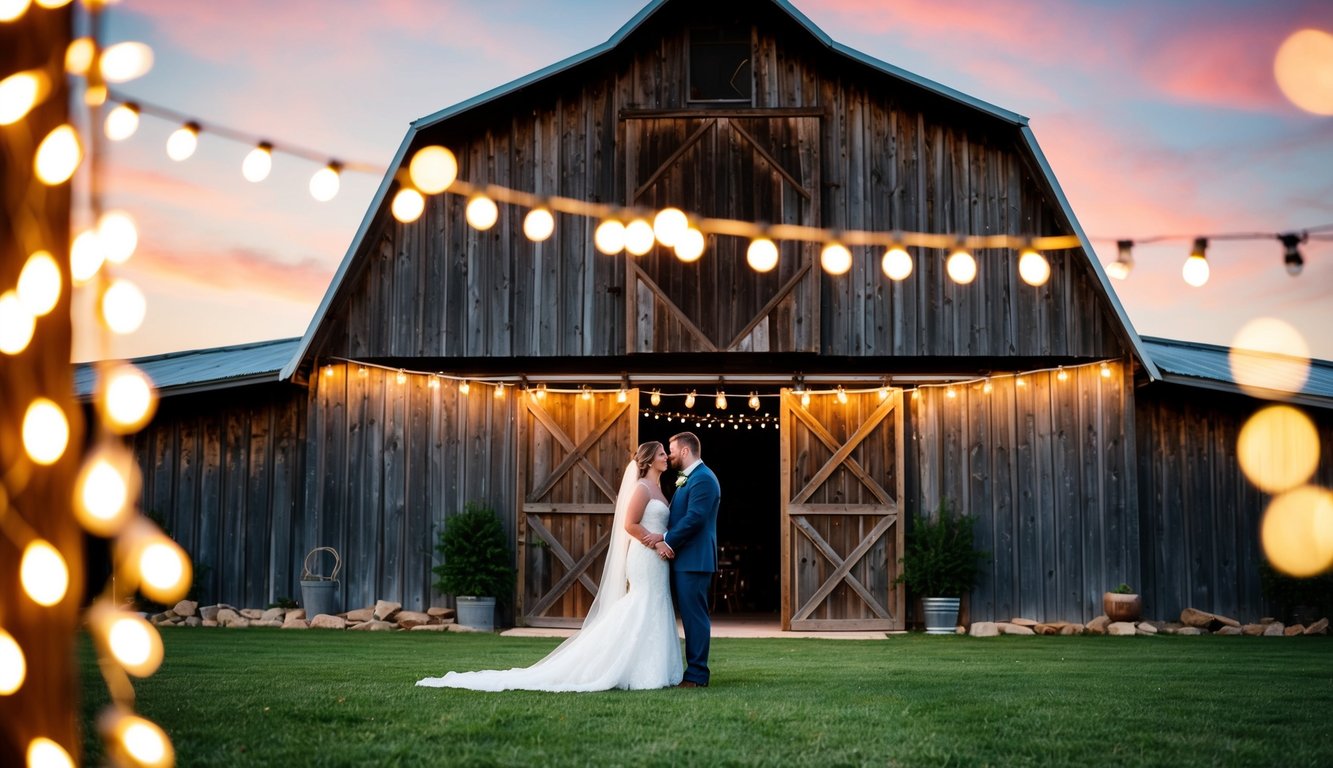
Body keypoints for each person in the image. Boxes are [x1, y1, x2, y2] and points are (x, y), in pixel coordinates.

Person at [416, 442, 682, 691]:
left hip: (657, 558)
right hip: (645, 556)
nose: (666, 458)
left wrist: (665, 540)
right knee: (642, 602)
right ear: (648, 461)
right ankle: (621, 664)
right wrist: (655, 544)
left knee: (656, 602)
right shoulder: (642, 489)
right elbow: (630, 525)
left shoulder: (659, 489)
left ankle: (650, 666)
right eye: (661, 454)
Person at [642, 431, 720, 688]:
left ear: (685, 451)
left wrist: (665, 538)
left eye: (672, 450)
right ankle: (688, 672)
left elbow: (695, 518)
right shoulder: (690, 478)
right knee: (687, 616)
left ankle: (697, 676)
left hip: (695, 560)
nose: (669, 455)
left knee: (694, 618)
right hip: (685, 559)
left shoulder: (703, 479)